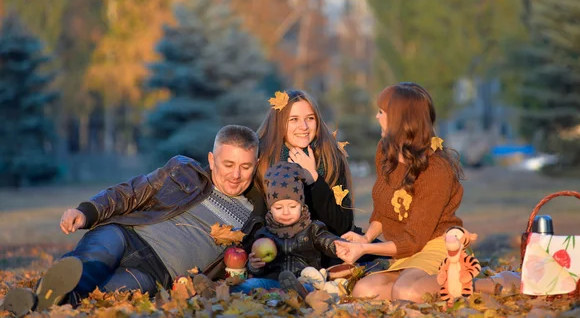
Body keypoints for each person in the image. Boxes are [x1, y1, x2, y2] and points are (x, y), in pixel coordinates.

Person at [1, 125, 266, 316]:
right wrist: (87, 211)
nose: (235, 175)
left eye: (245, 166)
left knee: (103, 292)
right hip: (127, 234)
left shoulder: (252, 220)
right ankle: (46, 295)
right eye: (228, 164)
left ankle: (37, 301)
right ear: (212, 159)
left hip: (157, 273)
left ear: (255, 165)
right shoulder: (183, 171)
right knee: (91, 263)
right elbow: (130, 192)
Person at [334, 83, 466, 302]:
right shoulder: (386, 151)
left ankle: (476, 283)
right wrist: (365, 238)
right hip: (405, 253)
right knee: (364, 292)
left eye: (382, 112)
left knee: (407, 292)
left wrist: (365, 249)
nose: (376, 117)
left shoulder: (435, 169)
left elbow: (415, 239)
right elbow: (385, 208)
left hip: (436, 246)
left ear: (400, 119)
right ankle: (417, 283)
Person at [230, 161, 341, 297]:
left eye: (292, 207)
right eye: (278, 208)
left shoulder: (312, 229)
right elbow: (256, 267)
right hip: (273, 282)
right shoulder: (264, 234)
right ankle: (223, 290)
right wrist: (254, 266)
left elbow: (326, 240)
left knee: (309, 287)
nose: (286, 212)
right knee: (249, 284)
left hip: (304, 281)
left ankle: (297, 293)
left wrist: (339, 246)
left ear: (302, 205)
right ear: (270, 209)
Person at [256, 89, 354, 237]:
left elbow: (342, 226)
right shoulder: (262, 159)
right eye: (293, 119)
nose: (304, 126)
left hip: (323, 250)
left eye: (310, 118)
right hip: (276, 250)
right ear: (279, 123)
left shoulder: (330, 157)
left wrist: (314, 179)